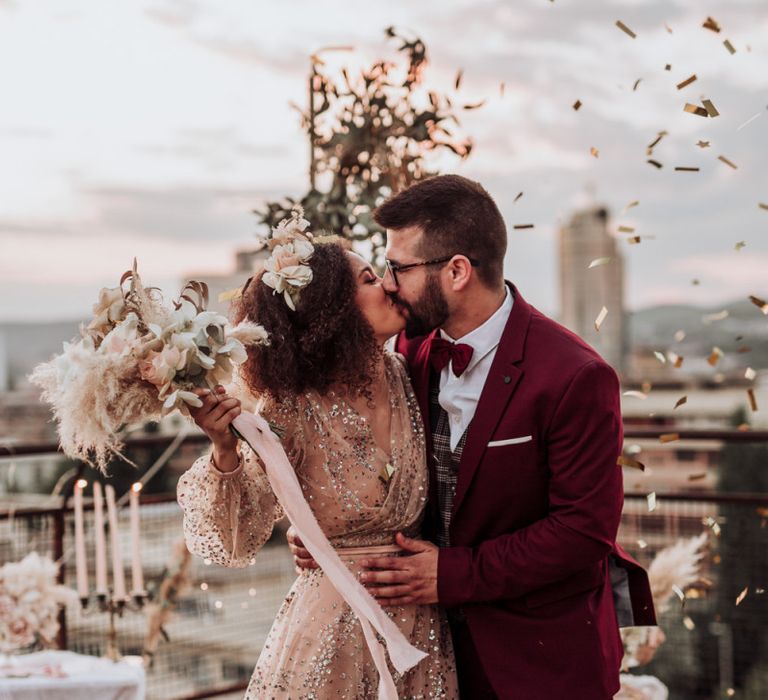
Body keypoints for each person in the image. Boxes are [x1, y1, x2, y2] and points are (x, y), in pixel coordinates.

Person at [289, 175, 657, 699]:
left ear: (457, 271)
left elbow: (583, 530)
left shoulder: (576, 375)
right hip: (427, 655)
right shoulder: (406, 356)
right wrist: (328, 531)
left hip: (540, 656)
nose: (389, 283)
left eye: (399, 267)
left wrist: (452, 575)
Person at [176, 220, 458, 699]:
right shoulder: (290, 406)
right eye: (370, 280)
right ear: (333, 311)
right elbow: (235, 540)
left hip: (422, 630)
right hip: (332, 637)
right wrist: (224, 449)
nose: (390, 284)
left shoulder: (412, 375)